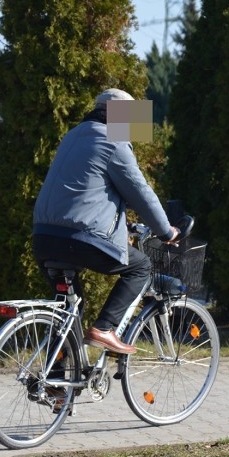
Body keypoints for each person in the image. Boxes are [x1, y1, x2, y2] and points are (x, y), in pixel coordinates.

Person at [33, 88, 180, 354]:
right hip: (79, 239)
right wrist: (165, 230)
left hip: (44, 238)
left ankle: (56, 380)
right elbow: (140, 193)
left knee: (70, 310)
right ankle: (104, 329)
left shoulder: (73, 135)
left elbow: (87, 194)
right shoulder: (112, 142)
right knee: (141, 266)